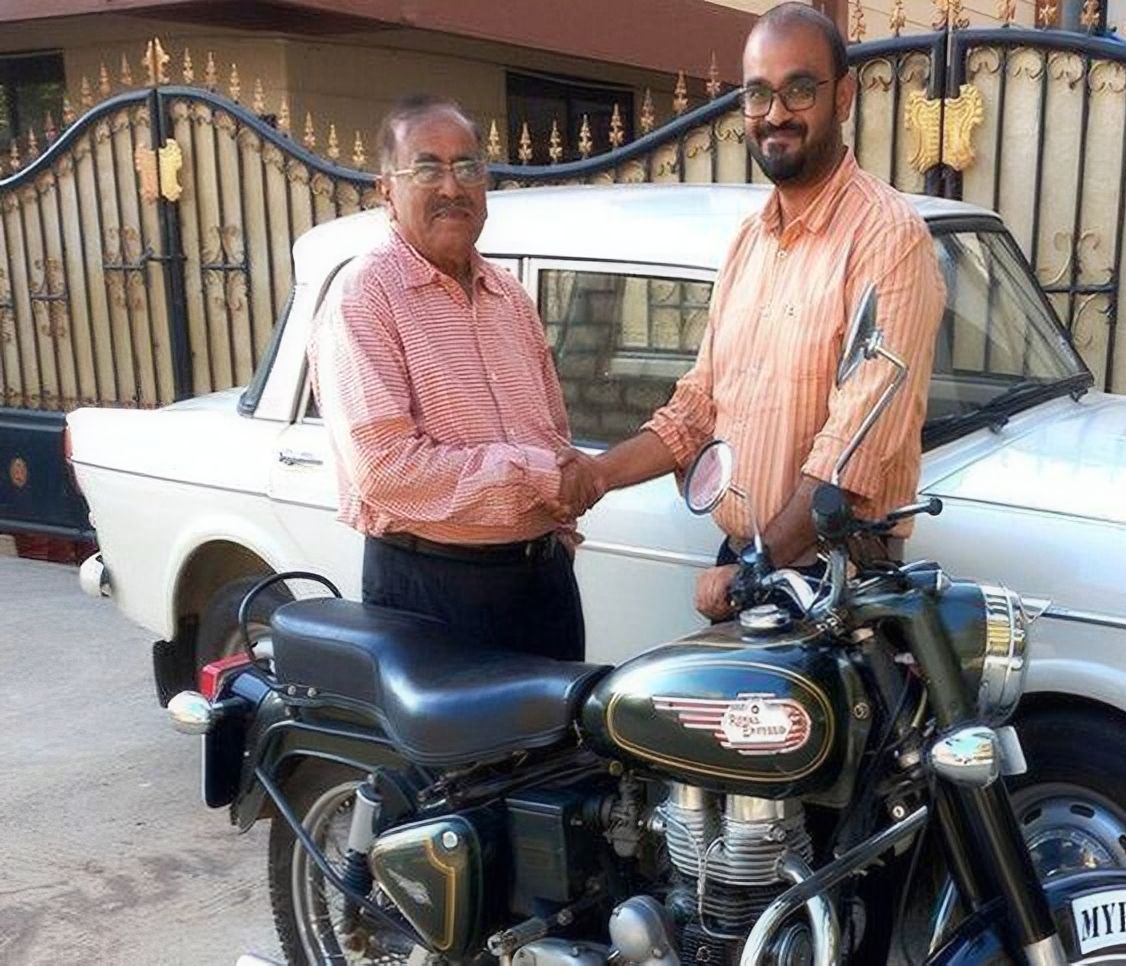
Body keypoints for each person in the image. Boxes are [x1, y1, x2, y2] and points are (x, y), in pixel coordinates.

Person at [577, 2, 945, 621]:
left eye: (799, 90)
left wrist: (757, 565)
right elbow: (698, 406)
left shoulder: (888, 237)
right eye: (757, 94)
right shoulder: (750, 241)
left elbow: (853, 449)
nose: (775, 113)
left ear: (843, 97)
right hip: (751, 563)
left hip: (834, 583)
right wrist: (595, 476)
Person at [309, 94, 602, 660]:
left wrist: (557, 537)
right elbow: (387, 470)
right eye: (427, 169)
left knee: (564, 722)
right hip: (432, 588)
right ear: (385, 190)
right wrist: (540, 477)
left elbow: (552, 432)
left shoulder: (509, 297)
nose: (452, 187)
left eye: (467, 166)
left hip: (541, 584)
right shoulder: (364, 297)